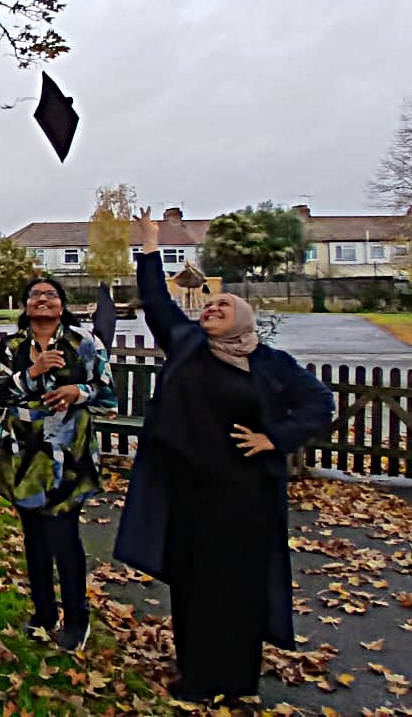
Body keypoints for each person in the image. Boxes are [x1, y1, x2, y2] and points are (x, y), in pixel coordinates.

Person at [114, 208, 334, 705]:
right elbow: (157, 301)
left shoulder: (271, 364)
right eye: (209, 304)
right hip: (189, 491)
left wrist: (274, 438)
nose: (212, 308)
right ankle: (196, 675)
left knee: (240, 584)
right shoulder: (188, 344)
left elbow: (319, 403)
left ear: (245, 318)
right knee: (193, 584)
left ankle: (238, 678)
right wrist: (149, 246)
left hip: (245, 495)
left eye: (224, 305)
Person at [0, 277, 117, 652]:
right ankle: (43, 613)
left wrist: (79, 391)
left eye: (50, 295)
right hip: (23, 456)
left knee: (64, 536)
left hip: (68, 457)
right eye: (34, 295)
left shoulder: (84, 343)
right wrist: (33, 371)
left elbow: (108, 394)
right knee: (34, 539)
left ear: (62, 304)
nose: (42, 299)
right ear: (25, 306)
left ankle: (77, 617)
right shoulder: (10, 347)